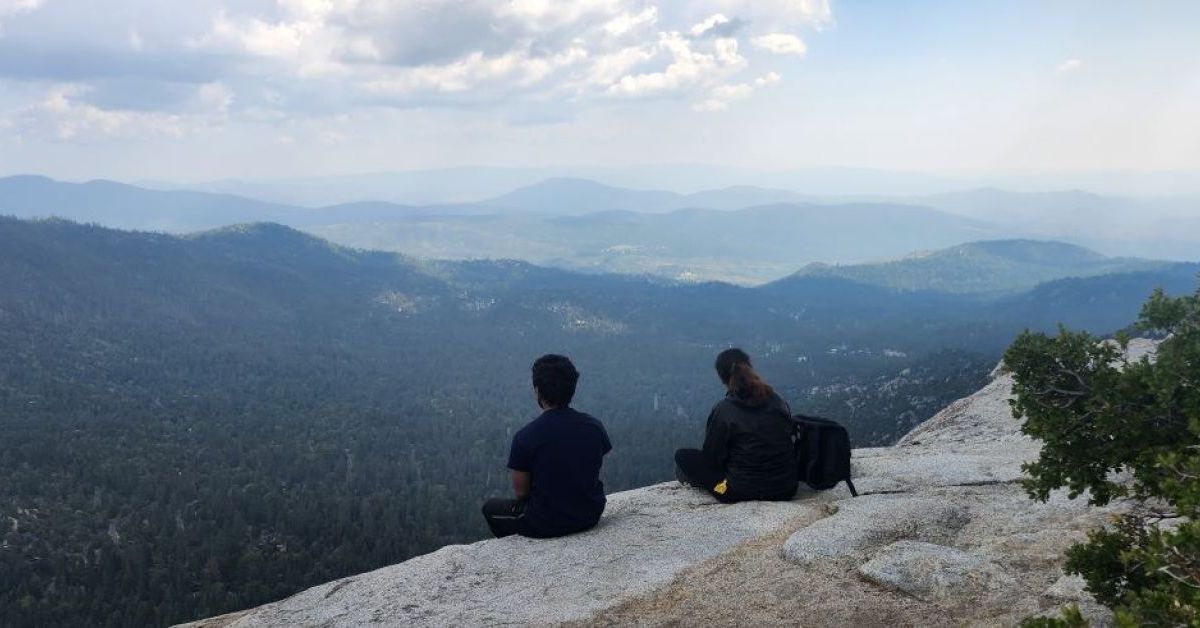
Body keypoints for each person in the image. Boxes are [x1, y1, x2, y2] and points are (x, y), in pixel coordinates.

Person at [481, 354, 612, 538]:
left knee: (490, 508)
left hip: (546, 522)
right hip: (590, 514)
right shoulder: (594, 426)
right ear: (572, 388)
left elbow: (521, 492)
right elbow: (594, 465)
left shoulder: (525, 437)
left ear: (537, 391)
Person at [675, 348, 798, 503]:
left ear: (723, 378)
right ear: (750, 368)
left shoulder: (725, 410)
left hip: (740, 492)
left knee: (682, 457)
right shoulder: (776, 400)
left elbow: (713, 458)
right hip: (787, 489)